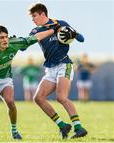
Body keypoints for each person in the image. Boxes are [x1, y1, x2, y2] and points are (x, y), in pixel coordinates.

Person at [0, 25, 57, 140]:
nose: (5, 40)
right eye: (1, 38)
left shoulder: (14, 43)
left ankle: (14, 131)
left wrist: (53, 30)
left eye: (6, 37)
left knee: (10, 102)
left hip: (5, 79)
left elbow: (35, 38)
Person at [28, 3, 87, 139]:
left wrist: (72, 33)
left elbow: (81, 39)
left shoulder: (60, 23)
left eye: (34, 16)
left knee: (61, 97)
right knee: (38, 98)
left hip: (64, 65)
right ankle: (62, 126)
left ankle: (79, 128)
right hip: (50, 69)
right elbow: (25, 46)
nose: (33, 20)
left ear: (43, 14)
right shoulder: (35, 31)